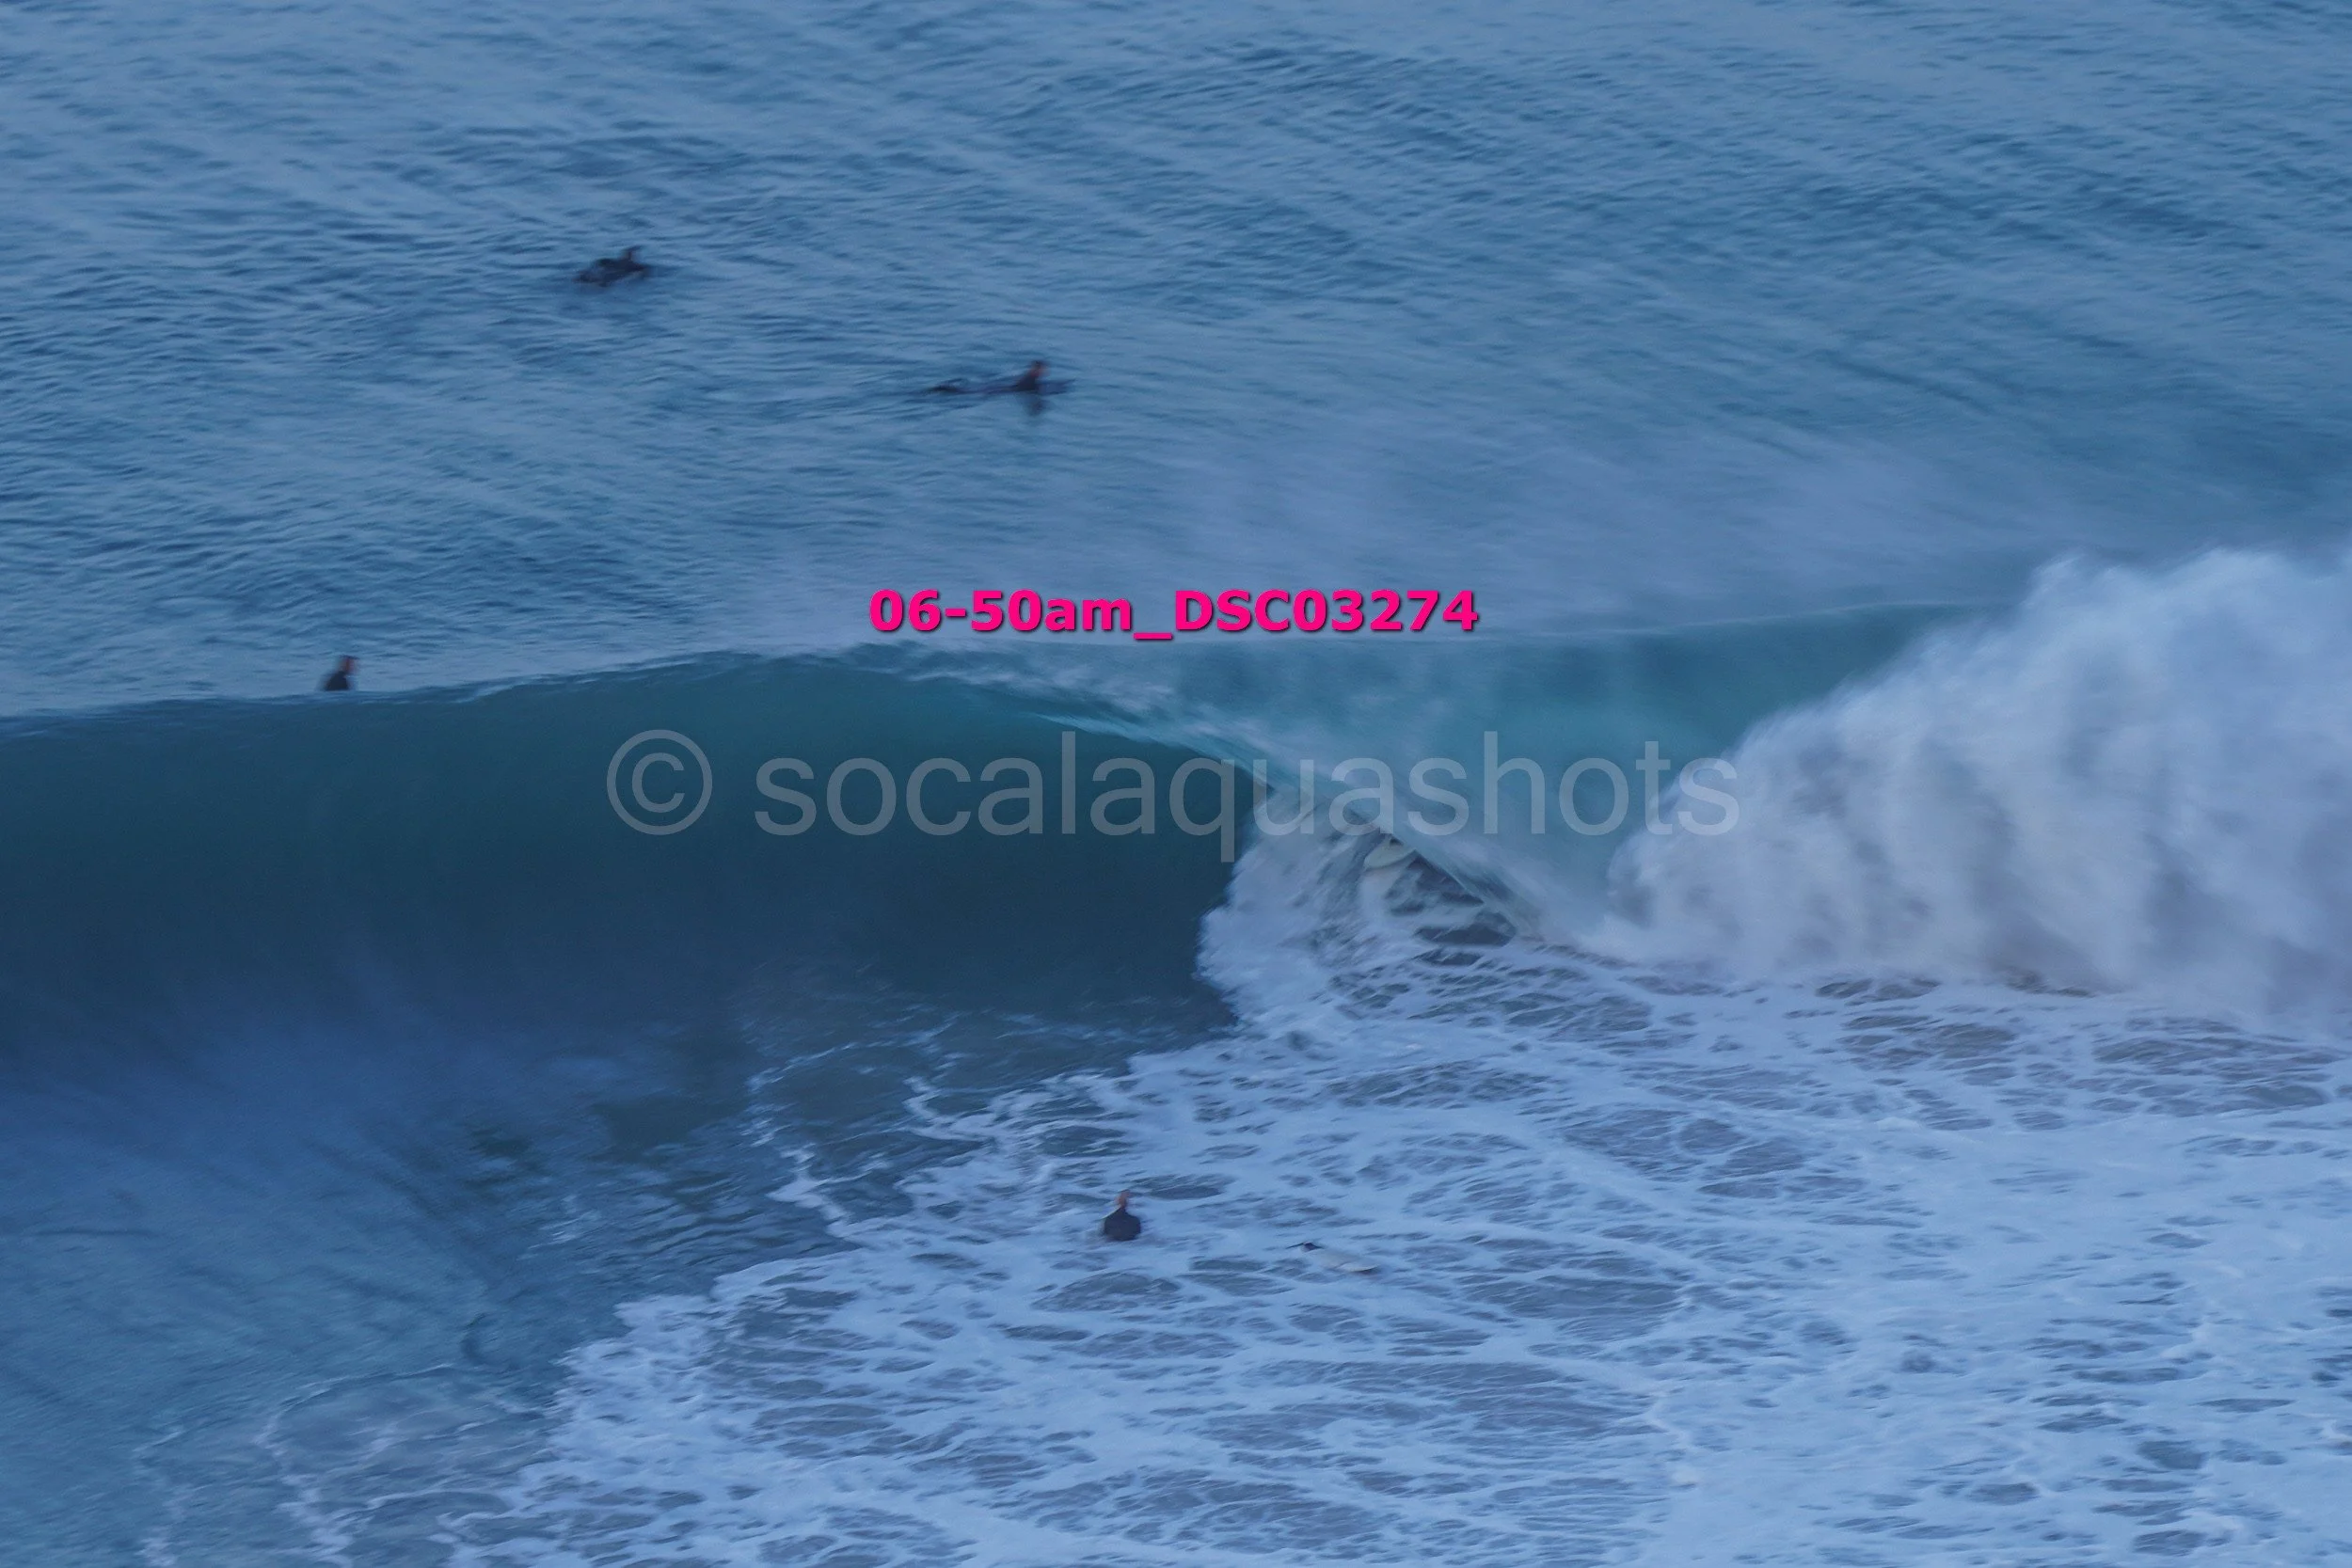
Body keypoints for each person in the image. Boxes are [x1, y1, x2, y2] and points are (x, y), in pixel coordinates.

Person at [578, 246, 649, 286]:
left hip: (611, 269)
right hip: (619, 273)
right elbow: (643, 269)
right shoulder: (634, 265)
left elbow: (601, 261)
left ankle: (589, 278)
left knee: (603, 276)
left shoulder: (616, 260)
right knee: (608, 278)